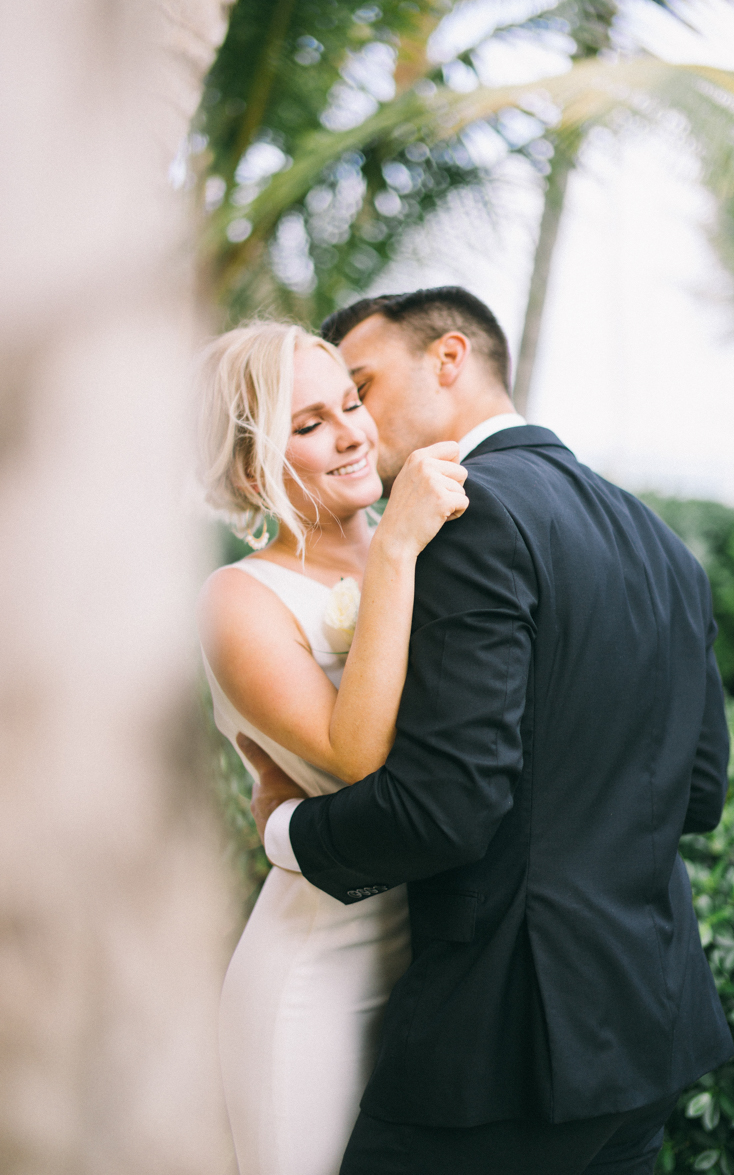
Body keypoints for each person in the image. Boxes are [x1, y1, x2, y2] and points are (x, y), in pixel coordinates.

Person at [243, 286, 734, 1175]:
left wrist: (284, 827)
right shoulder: (662, 542)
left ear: (449, 358)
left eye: (362, 386)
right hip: (652, 1026)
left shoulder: (473, 516)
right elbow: (697, 794)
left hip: (507, 1044)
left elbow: (445, 806)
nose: (357, 422)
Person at [196, 319, 470, 1175]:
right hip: (317, 973)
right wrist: (392, 547)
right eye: (309, 424)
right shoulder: (241, 599)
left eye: (352, 403)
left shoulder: (434, 540)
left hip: (447, 960)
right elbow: (358, 759)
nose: (352, 432)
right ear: (251, 467)